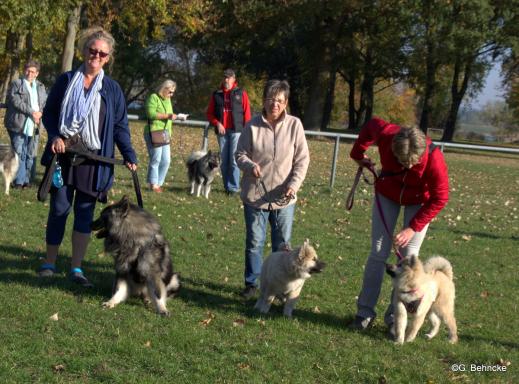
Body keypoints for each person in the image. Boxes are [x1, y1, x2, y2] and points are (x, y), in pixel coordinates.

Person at [37, 27, 138, 287]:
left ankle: (76, 268)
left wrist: (129, 154)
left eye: (102, 53)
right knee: (59, 209)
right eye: (92, 50)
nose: (96, 56)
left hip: (93, 162)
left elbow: (119, 127)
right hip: (63, 157)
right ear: (84, 51)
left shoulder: (112, 90)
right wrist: (55, 137)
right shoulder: (66, 80)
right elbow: (49, 114)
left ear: (108, 58)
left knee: (84, 214)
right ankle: (49, 262)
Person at [348, 117, 449, 331]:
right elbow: (370, 125)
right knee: (378, 252)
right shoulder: (386, 134)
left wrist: (413, 227)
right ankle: (364, 313)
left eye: (414, 163)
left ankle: (395, 317)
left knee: (408, 256)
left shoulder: (435, 158)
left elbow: (440, 197)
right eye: (403, 162)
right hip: (388, 193)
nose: (409, 166)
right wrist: (358, 154)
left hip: (419, 201)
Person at [235, 80, 310, 298]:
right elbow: (240, 154)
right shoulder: (252, 125)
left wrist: (293, 185)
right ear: (264, 101)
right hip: (256, 196)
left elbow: (302, 160)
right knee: (254, 243)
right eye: (270, 99)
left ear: (285, 103)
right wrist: (250, 165)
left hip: (283, 199)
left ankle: (280, 288)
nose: (274, 104)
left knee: (282, 246)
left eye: (279, 100)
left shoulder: (295, 125)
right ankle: (252, 284)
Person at [206, 68, 251, 195]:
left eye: (229, 77)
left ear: (234, 79)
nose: (226, 80)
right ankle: (227, 187)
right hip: (222, 132)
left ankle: (233, 188)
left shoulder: (241, 93)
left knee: (233, 159)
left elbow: (247, 113)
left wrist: (247, 130)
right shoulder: (216, 94)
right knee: (224, 160)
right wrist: (217, 123)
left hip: (237, 131)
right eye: (225, 77)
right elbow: (209, 114)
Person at [3, 60, 47, 188]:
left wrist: (40, 113)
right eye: (28, 70)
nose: (30, 73)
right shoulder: (17, 84)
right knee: (18, 152)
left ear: (37, 73)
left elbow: (44, 103)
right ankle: (18, 181)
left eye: (33, 71)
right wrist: (32, 112)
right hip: (18, 124)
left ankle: (27, 180)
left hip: (35, 125)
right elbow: (16, 101)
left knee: (30, 153)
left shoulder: (41, 86)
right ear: (24, 70)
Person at [144, 80, 177, 193]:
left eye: (173, 93)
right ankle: (153, 185)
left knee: (166, 160)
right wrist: (167, 115)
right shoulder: (154, 97)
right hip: (154, 131)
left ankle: (159, 183)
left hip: (165, 133)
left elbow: (169, 116)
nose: (171, 95)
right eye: (170, 92)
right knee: (156, 159)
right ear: (165, 88)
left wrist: (175, 117)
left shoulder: (168, 100)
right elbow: (151, 113)